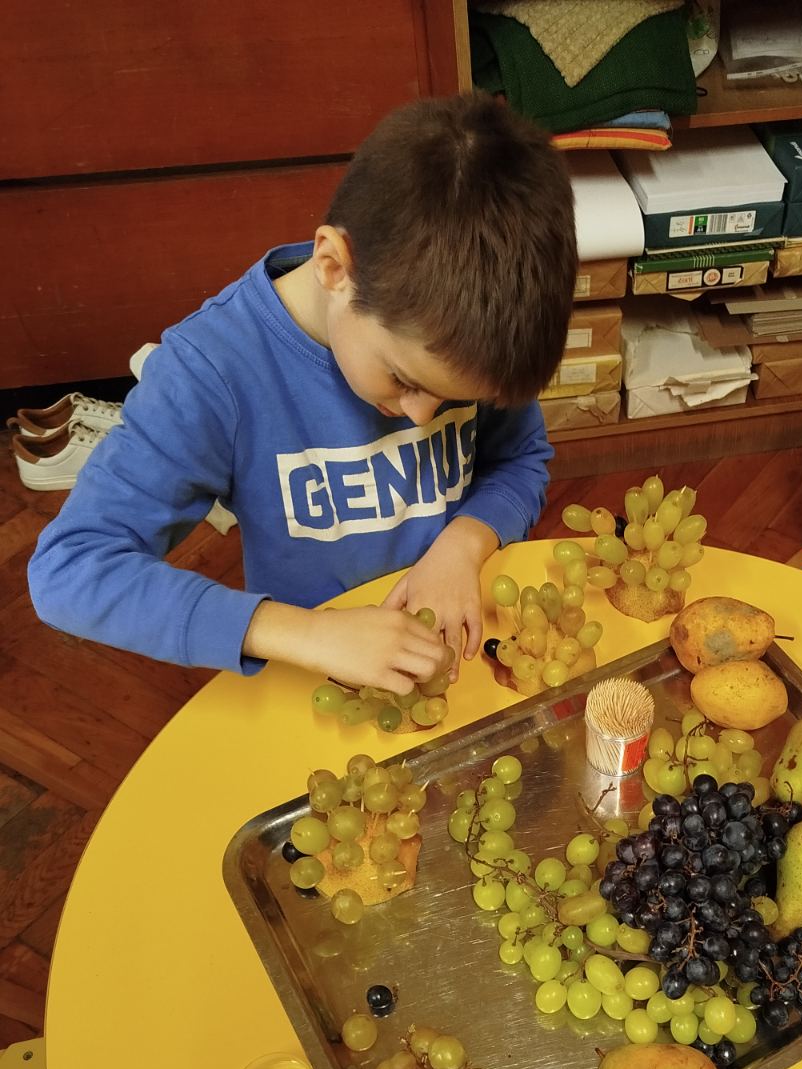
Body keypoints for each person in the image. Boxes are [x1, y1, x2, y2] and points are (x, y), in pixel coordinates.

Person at [27, 94, 577, 695]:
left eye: (452, 403)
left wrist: (464, 544)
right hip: (311, 683)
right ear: (334, 267)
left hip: (460, 661)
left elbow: (520, 459)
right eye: (405, 381)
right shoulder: (212, 370)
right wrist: (308, 633)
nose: (421, 417)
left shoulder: (472, 337)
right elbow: (70, 569)